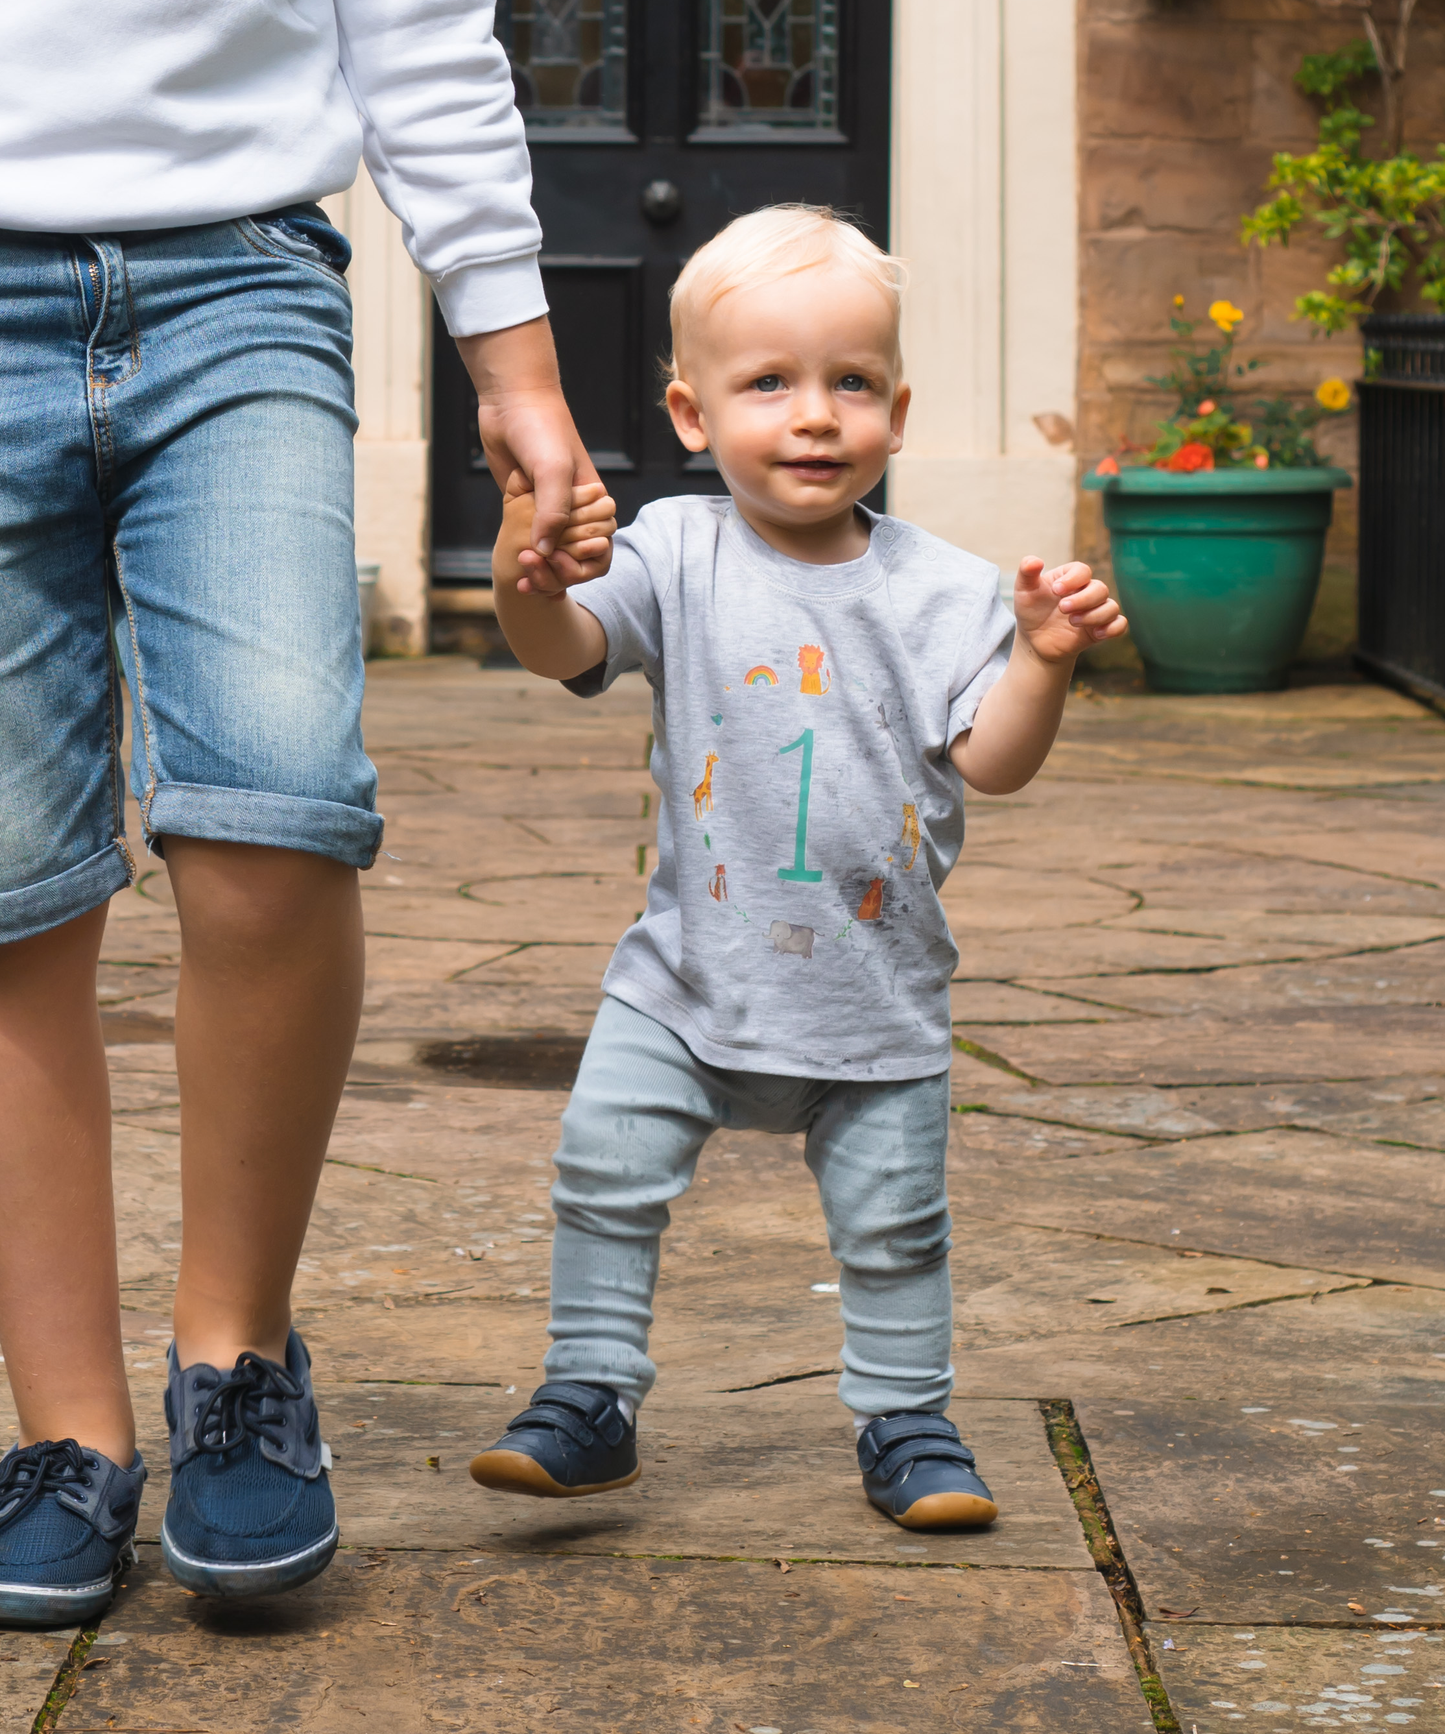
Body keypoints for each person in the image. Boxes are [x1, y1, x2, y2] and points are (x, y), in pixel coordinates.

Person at [0, 0, 607, 1626]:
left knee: (276, 806)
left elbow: (416, 33)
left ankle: (238, 1361)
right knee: (5, 890)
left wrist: (518, 362)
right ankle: (63, 1436)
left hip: (241, 280)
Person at [468, 206, 1127, 1531]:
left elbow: (992, 761)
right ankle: (590, 1399)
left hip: (872, 990)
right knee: (604, 1162)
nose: (814, 415)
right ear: (694, 412)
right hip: (686, 979)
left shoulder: (945, 591)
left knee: (894, 1227)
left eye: (851, 383)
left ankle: (909, 1420)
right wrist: (524, 564)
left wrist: (1045, 661)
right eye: (769, 382)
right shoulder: (676, 549)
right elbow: (561, 645)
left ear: (897, 406)